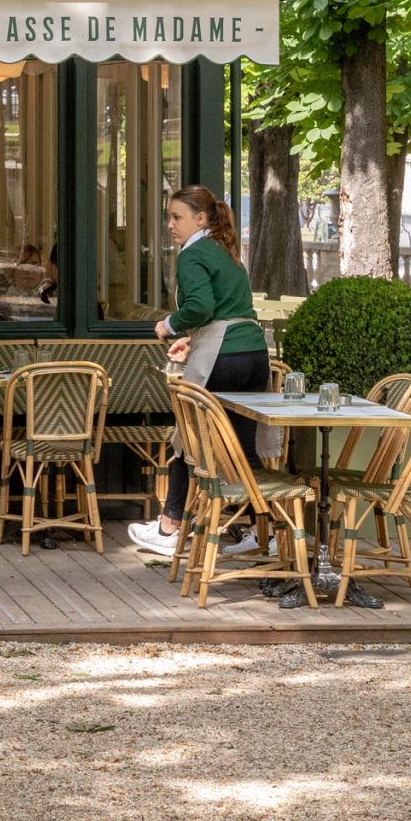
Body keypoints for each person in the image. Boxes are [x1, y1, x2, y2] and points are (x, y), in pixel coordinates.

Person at [126, 185, 271, 560]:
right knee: (244, 448)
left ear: (201, 219)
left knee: (189, 441)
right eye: (169, 217)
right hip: (253, 353)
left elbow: (202, 305)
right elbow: (230, 309)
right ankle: (262, 532)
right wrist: (194, 342)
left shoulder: (192, 255)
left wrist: (169, 325)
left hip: (222, 356)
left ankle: (170, 527)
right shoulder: (226, 251)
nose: (170, 225)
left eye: (177, 217)